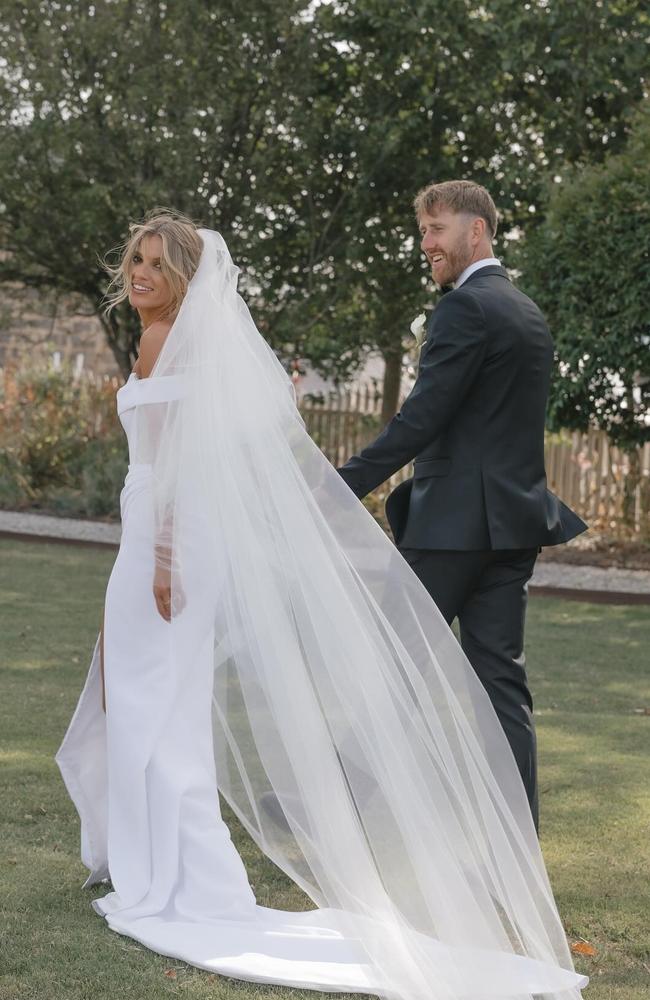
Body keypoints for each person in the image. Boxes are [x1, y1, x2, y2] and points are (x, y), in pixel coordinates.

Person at [56, 210, 588, 1000]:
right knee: (146, 701)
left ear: (184, 279)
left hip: (165, 543)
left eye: (156, 264)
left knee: (160, 704)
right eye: (134, 259)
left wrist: (165, 558)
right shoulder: (158, 339)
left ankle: (181, 872)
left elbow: (174, 461)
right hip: (155, 536)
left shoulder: (172, 342)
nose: (139, 273)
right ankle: (150, 859)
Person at [338, 180, 587, 831]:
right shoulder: (526, 313)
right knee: (499, 685)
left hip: (451, 528)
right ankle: (517, 836)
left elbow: (422, 419)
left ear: (476, 230)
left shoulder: (465, 309)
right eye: (423, 230)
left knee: (392, 662)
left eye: (436, 229)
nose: (427, 243)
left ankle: (334, 808)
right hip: (512, 528)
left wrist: (339, 483)